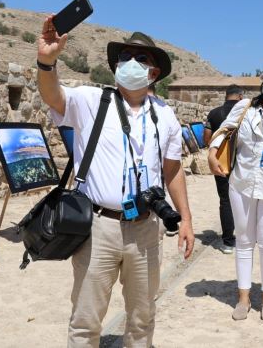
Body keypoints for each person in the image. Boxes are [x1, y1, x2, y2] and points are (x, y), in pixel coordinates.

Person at [36, 22, 195, 348]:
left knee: (142, 316)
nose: (132, 63)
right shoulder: (91, 101)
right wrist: (46, 62)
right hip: (98, 227)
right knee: (85, 319)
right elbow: (52, 95)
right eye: (125, 56)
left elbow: (173, 168)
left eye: (141, 58)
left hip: (146, 229)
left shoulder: (164, 115)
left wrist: (186, 220)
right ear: (115, 65)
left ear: (154, 73)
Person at [208, 65, 263, 323]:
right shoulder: (245, 107)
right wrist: (212, 152)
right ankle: (243, 297)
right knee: (244, 242)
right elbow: (224, 130)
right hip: (242, 183)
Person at [203, 84, 244, 254]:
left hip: (221, 163)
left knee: (225, 200)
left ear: (226, 96)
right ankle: (246, 238)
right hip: (242, 162)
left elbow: (206, 138)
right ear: (240, 97)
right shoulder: (245, 113)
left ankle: (228, 242)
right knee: (244, 199)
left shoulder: (214, 113)